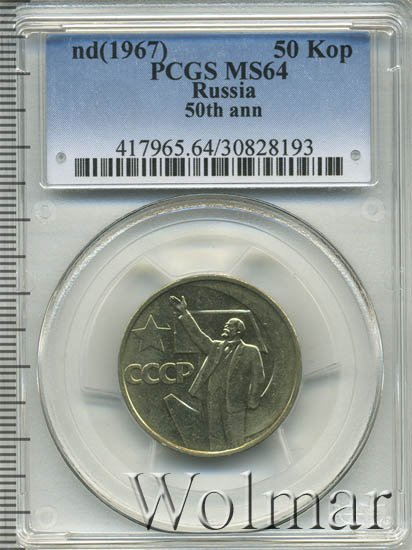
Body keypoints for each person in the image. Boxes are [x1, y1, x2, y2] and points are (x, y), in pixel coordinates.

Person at [170, 295, 265, 451]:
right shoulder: (216, 347)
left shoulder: (250, 350)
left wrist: (252, 399)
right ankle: (216, 458)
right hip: (212, 400)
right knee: (215, 437)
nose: (226, 327)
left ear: (239, 330)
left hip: (234, 402)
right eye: (226, 325)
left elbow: (258, 378)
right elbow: (198, 336)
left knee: (235, 439)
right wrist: (185, 313)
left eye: (230, 326)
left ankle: (237, 461)